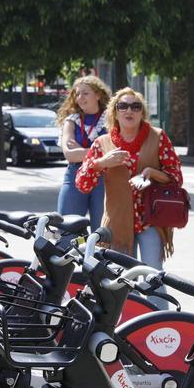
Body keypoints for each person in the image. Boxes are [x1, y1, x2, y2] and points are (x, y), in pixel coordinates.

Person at [76, 88, 182, 272]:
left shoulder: (158, 137)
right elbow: (83, 184)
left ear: (142, 113)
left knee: (153, 277)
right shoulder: (102, 143)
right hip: (117, 224)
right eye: (123, 106)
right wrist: (101, 163)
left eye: (135, 106)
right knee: (120, 280)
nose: (129, 111)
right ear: (115, 113)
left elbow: (176, 178)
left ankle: (153, 303)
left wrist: (153, 173)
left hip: (151, 220)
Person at [56, 75, 111, 229]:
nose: (80, 97)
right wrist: (99, 151)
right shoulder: (71, 121)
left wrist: (81, 150)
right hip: (75, 173)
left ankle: (96, 253)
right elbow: (69, 154)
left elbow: (113, 151)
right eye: (77, 94)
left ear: (98, 95)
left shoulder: (110, 120)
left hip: (104, 176)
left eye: (85, 93)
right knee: (66, 228)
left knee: (102, 231)